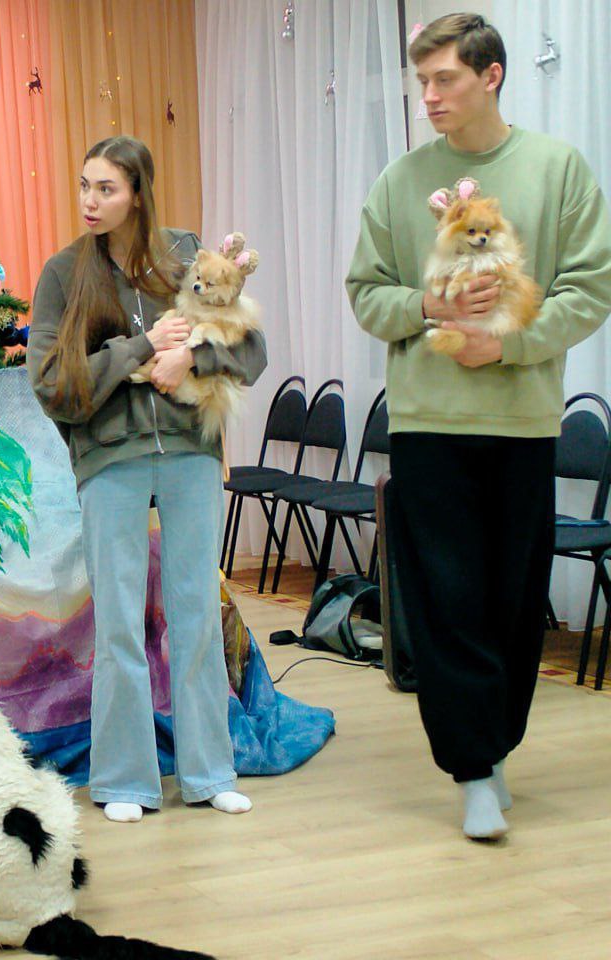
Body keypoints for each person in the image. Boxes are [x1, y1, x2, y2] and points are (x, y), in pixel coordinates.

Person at [347, 13, 611, 840]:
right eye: (420, 81)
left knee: (513, 596)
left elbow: (589, 289)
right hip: (427, 422)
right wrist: (428, 306)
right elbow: (365, 293)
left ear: (490, 75)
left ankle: (494, 746)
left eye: (445, 79)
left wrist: (506, 344)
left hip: (523, 422)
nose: (428, 96)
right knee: (446, 595)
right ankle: (471, 766)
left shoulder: (556, 169)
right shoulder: (399, 181)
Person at [27, 136, 267, 824]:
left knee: (197, 615)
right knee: (120, 625)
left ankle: (209, 772)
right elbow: (51, 383)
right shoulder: (64, 274)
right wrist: (139, 348)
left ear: (138, 194)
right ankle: (125, 779)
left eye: (105, 188)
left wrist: (189, 360)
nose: (90, 200)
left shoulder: (186, 257)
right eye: (85, 186)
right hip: (111, 458)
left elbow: (251, 352)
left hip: (191, 450)